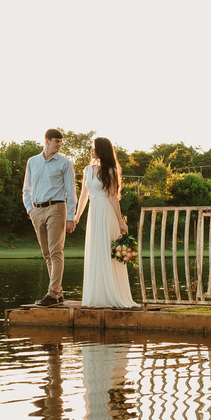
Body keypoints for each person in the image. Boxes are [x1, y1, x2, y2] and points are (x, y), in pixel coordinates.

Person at [74, 137, 137, 308]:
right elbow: (84, 195)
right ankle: (96, 295)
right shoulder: (87, 170)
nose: (91, 150)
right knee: (95, 250)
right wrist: (77, 215)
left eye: (94, 148)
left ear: (102, 150)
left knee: (108, 251)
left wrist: (120, 222)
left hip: (106, 213)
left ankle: (112, 294)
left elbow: (113, 197)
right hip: (94, 212)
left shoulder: (110, 170)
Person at [22, 128, 77, 307]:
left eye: (61, 142)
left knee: (55, 251)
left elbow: (71, 191)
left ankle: (52, 294)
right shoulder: (32, 162)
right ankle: (58, 293)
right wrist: (30, 210)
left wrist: (70, 217)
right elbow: (26, 189)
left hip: (56, 208)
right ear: (47, 141)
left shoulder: (64, 163)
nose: (59, 145)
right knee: (47, 254)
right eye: (57, 141)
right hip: (37, 211)